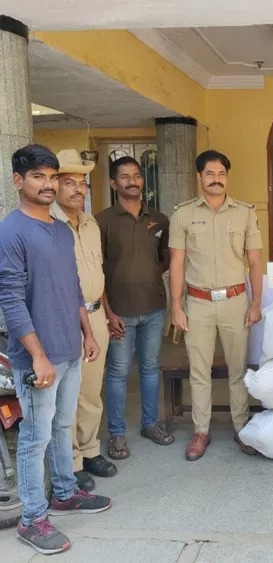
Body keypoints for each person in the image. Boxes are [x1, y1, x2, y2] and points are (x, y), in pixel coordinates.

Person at [0, 145, 110, 554]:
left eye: (51, 177)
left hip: (70, 348)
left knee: (63, 425)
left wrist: (88, 334)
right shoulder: (11, 231)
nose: (47, 185)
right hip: (39, 358)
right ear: (18, 181)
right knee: (36, 437)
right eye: (38, 177)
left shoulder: (61, 230)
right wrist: (38, 356)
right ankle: (32, 519)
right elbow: (10, 300)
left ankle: (65, 492)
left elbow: (74, 288)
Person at [168, 150, 264, 461]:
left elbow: (255, 262)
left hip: (236, 301)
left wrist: (256, 303)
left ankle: (242, 427)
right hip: (198, 303)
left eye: (221, 174)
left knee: (237, 369)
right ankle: (201, 431)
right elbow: (176, 263)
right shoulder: (182, 214)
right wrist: (176, 307)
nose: (216, 179)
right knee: (199, 372)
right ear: (199, 177)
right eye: (209, 173)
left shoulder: (245, 213)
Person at [96, 155, 175, 461]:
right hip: (119, 312)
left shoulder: (159, 219)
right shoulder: (102, 221)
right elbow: (96, 270)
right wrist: (108, 312)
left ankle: (150, 424)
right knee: (117, 372)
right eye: (125, 177)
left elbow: (165, 259)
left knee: (150, 367)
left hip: (154, 307)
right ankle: (116, 433)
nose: (132, 181)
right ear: (113, 183)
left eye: (137, 176)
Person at [51, 150, 117, 493]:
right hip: (64, 319)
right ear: (55, 185)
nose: (78, 189)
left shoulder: (90, 224)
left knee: (91, 391)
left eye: (83, 183)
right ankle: (72, 460)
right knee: (68, 396)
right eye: (70, 182)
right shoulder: (48, 225)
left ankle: (90, 449)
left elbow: (98, 274)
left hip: (96, 316)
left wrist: (106, 312)